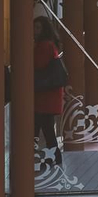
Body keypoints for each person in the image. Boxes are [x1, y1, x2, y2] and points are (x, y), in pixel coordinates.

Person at [32, 16, 67, 166]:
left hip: (44, 96)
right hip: (49, 96)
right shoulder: (51, 45)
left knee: (38, 129)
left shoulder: (43, 46)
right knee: (46, 129)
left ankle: (50, 157)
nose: (35, 31)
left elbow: (37, 66)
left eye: (38, 28)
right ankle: (53, 157)